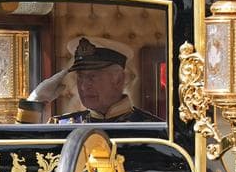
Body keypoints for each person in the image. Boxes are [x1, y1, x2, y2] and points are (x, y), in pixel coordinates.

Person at [17, 36, 162, 123]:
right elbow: (22, 158)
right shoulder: (63, 125)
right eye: (80, 77)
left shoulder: (151, 128)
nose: (84, 86)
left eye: (92, 77)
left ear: (118, 79)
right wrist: (34, 102)